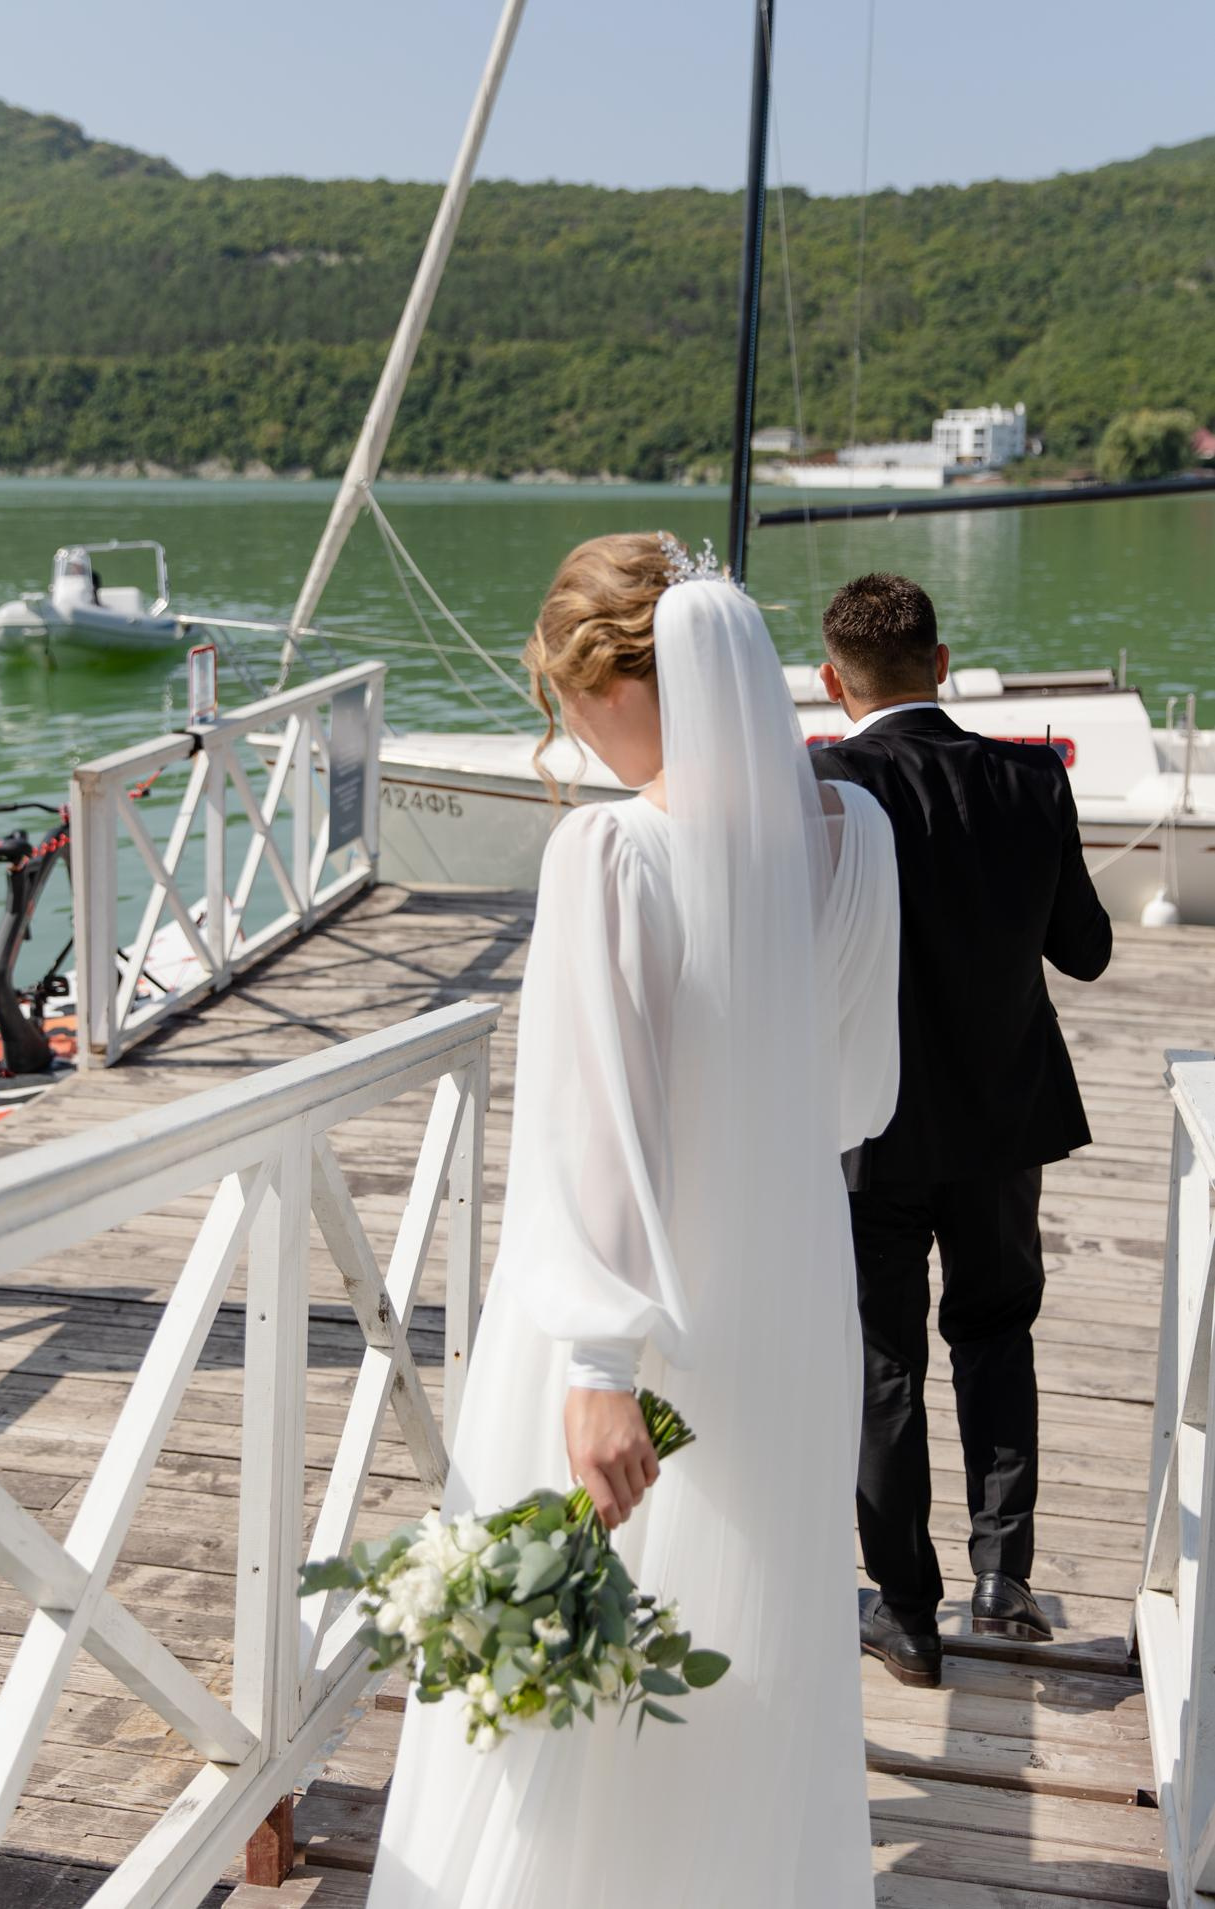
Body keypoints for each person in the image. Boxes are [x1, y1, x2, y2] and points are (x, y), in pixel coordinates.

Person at [367, 534, 902, 1906]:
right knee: (745, 1634)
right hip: (788, 1300)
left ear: (615, 680)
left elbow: (587, 1133)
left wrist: (599, 1365)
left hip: (620, 1317)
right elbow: (856, 1095)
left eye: (562, 701)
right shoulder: (858, 834)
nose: (572, 736)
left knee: (561, 1668)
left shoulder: (608, 850)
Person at [810, 573, 1113, 1691]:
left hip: (864, 1129)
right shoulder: (1031, 778)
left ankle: (904, 1613)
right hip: (1001, 1117)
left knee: (881, 1363)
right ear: (941, 664)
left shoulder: (823, 783)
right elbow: (1083, 952)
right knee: (995, 1333)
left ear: (832, 682)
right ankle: (1004, 1575)